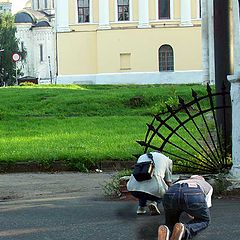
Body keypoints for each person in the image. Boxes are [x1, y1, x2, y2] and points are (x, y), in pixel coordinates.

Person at [158, 175, 213, 240]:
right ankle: (184, 231)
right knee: (204, 220)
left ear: (190, 178)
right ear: (202, 179)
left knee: (171, 221)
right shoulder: (206, 185)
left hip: (170, 193)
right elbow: (205, 208)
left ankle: (167, 230)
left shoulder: (180, 182)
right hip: (193, 193)